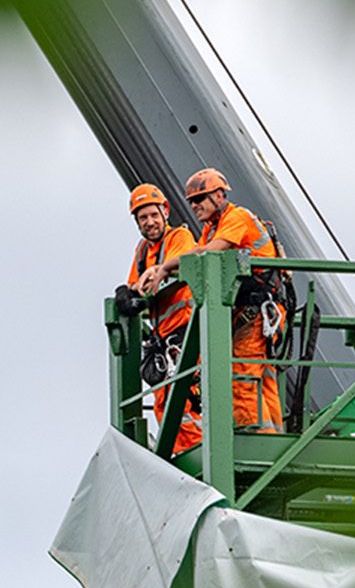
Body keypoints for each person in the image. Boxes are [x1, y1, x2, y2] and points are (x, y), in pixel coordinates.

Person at [137, 168, 285, 433]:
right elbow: (196, 253)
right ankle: (271, 434)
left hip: (259, 310)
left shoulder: (236, 217)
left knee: (242, 375)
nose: (194, 206)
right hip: (250, 311)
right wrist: (161, 270)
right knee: (262, 375)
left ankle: (254, 439)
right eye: (191, 201)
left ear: (219, 195)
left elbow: (208, 253)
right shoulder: (211, 228)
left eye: (200, 199)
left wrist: (164, 267)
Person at [122, 183, 201, 455]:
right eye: (143, 218)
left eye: (153, 215)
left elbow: (181, 259)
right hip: (163, 338)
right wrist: (126, 292)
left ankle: (197, 451)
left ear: (165, 212)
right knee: (163, 402)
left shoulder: (178, 237)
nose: (149, 222)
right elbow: (136, 284)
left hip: (188, 332)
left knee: (186, 398)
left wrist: (160, 272)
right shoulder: (143, 250)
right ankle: (182, 451)